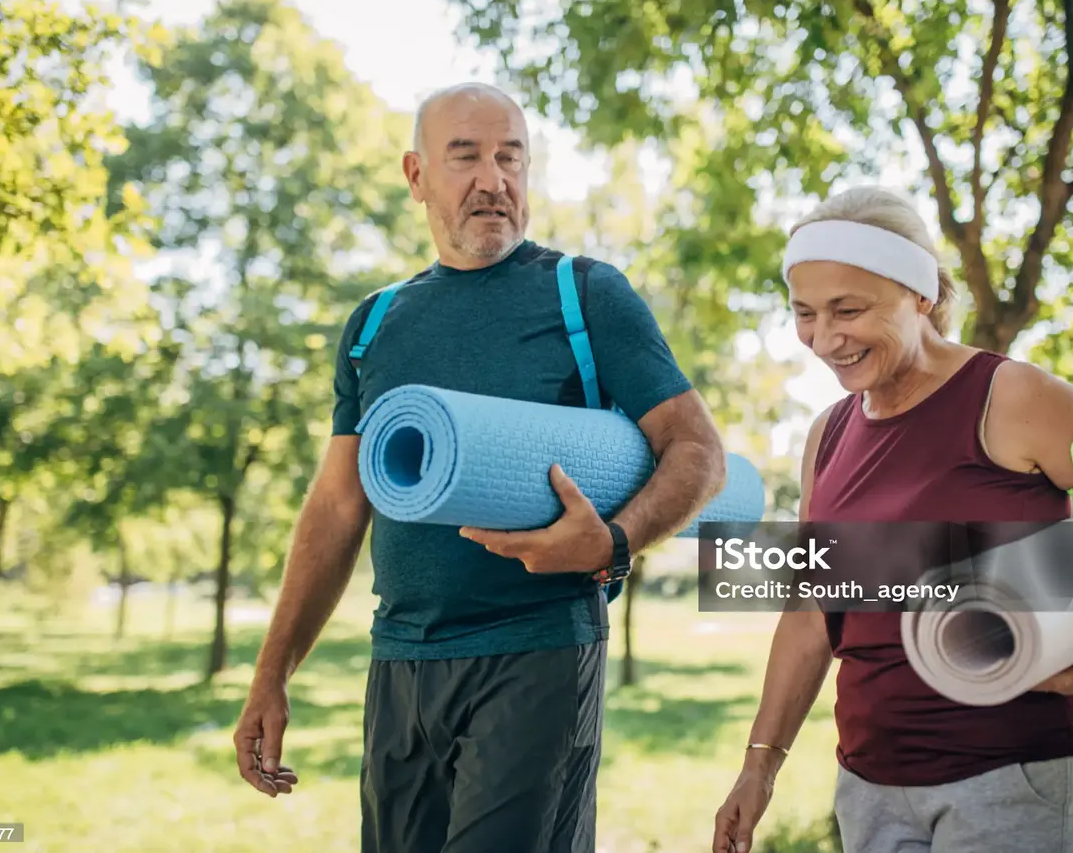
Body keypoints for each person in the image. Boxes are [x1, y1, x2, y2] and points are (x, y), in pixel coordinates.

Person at [231, 82, 727, 853]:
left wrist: (614, 544)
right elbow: (336, 505)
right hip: (399, 657)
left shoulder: (585, 295)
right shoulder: (375, 323)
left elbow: (698, 451)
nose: (493, 179)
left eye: (510, 158)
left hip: (537, 650)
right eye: (465, 157)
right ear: (417, 174)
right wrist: (271, 674)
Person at [712, 186, 1073, 853]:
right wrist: (759, 764)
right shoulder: (826, 435)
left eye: (848, 310)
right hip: (870, 780)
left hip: (1017, 775)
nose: (823, 338)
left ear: (918, 293)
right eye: (803, 313)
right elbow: (808, 613)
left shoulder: (1013, 397)